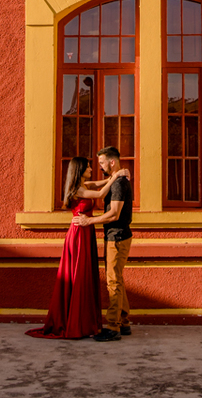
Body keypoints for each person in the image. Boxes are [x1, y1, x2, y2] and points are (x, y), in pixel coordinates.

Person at [26, 157, 128, 340]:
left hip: (86, 232)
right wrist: (116, 176)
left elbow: (99, 184)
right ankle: (77, 323)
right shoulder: (78, 190)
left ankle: (84, 321)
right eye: (88, 167)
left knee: (85, 275)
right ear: (80, 170)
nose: (91, 169)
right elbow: (100, 194)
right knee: (79, 275)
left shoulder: (84, 185)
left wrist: (117, 175)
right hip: (79, 234)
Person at [72, 146, 132, 341]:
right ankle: (124, 322)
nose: (98, 167)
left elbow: (114, 214)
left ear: (112, 162)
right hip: (115, 236)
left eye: (101, 163)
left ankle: (113, 327)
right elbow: (95, 186)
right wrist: (114, 176)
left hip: (117, 237)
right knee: (117, 279)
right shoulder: (115, 180)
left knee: (113, 282)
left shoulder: (119, 184)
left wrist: (89, 221)